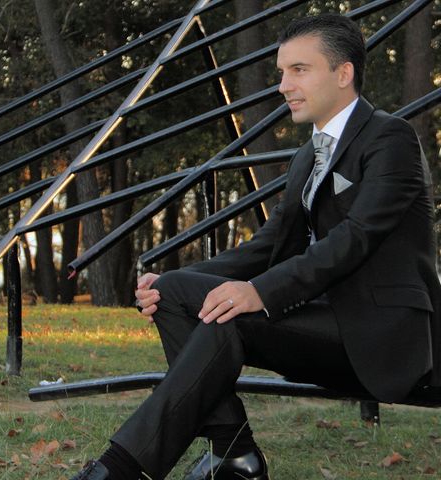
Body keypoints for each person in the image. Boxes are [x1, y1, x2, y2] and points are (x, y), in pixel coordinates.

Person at [71, 13, 441, 480]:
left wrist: (260, 292)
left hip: (380, 335)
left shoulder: (391, 139)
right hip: (325, 319)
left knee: (234, 320)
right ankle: (237, 455)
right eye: (281, 72)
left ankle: (124, 468)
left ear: (343, 73)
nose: (284, 85)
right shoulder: (311, 152)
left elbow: (355, 238)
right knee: (178, 293)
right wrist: (178, 280)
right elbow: (271, 244)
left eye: (299, 70)